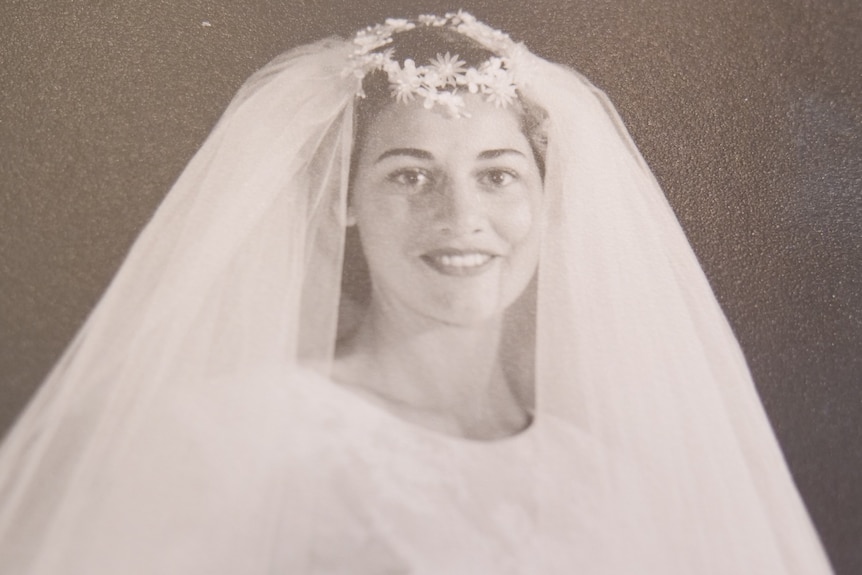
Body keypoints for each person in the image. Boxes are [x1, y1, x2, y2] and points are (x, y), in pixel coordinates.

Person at [0, 12, 833, 574]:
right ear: (347, 199)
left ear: (546, 198)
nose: (461, 217)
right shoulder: (230, 440)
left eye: (498, 174)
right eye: (410, 174)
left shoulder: (608, 474)